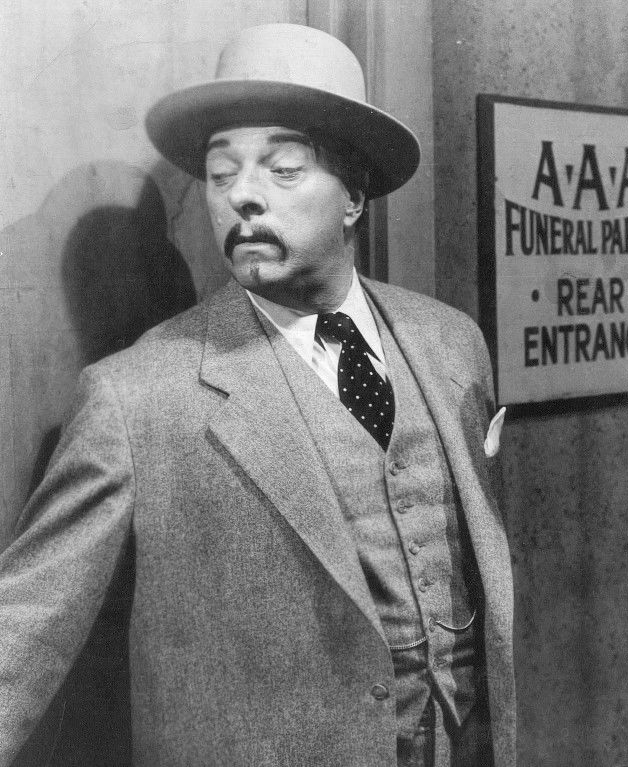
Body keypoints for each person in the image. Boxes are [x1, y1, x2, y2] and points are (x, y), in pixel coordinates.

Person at [0, 24, 515, 767]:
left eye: (283, 168)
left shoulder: (450, 342)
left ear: (354, 195)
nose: (242, 195)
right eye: (221, 173)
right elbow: (23, 628)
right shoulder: (134, 397)